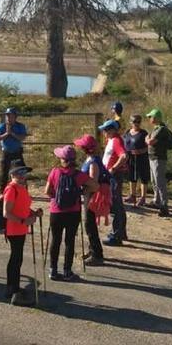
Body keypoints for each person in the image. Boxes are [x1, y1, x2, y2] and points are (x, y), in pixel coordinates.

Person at [45, 145, 98, 281]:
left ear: (63, 159)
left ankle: (53, 270)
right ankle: (67, 271)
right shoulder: (78, 175)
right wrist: (82, 191)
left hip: (56, 211)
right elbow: (95, 186)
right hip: (73, 212)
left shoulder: (55, 172)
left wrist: (55, 196)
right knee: (69, 241)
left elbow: (47, 191)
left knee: (55, 240)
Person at [2, 160, 42, 306]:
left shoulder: (22, 188)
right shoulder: (11, 189)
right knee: (15, 259)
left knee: (16, 259)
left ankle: (13, 289)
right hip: (14, 229)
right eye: (19, 173)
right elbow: (6, 213)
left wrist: (33, 213)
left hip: (20, 228)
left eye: (24, 172)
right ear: (12, 174)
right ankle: (13, 291)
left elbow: (23, 207)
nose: (22, 175)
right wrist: (23, 221)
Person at [74, 134, 112, 266]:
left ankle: (97, 254)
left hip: (91, 197)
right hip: (90, 196)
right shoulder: (92, 159)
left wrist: (83, 190)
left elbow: (93, 183)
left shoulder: (93, 163)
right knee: (89, 224)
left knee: (89, 224)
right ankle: (93, 250)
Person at [99, 120, 128, 246]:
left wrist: (113, 169)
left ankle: (116, 236)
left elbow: (123, 156)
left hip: (114, 176)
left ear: (111, 130)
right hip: (113, 175)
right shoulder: (113, 140)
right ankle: (121, 232)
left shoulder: (116, 140)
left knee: (115, 205)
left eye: (105, 130)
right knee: (118, 205)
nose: (104, 132)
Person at [145, 108, 172, 217]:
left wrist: (148, 139)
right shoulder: (156, 128)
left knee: (160, 182)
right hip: (153, 157)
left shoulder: (161, 129)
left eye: (150, 117)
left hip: (159, 158)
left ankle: (164, 206)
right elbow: (149, 140)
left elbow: (150, 141)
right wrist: (148, 139)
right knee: (154, 181)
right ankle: (157, 201)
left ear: (156, 118)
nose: (149, 119)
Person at [0, 107, 28, 193]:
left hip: (17, 152)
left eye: (10, 115)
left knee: (22, 171)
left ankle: (23, 191)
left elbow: (22, 138)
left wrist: (12, 133)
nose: (8, 117)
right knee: (4, 173)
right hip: (6, 153)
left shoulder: (20, 126)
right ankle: (2, 193)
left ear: (15, 116)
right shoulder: (2, 126)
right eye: (7, 115)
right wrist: (6, 133)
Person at [123, 114, 150, 206]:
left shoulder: (144, 133)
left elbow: (148, 147)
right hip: (130, 158)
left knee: (143, 178)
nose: (137, 124)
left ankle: (143, 198)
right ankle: (132, 195)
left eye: (139, 121)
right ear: (131, 122)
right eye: (135, 121)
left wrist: (140, 151)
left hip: (142, 159)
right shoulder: (127, 132)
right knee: (131, 177)